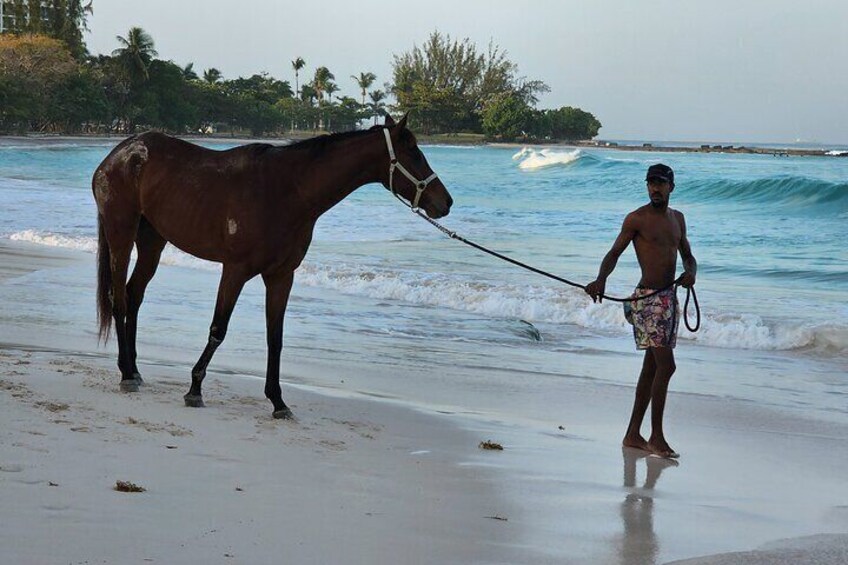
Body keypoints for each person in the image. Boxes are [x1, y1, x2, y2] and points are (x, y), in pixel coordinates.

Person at [585, 164, 697, 458]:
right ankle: (656, 437)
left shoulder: (678, 220)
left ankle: (633, 434)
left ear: (672, 186)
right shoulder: (637, 219)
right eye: (651, 184)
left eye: (660, 184)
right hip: (647, 300)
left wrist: (690, 273)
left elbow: (688, 256)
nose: (654, 189)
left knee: (652, 368)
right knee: (667, 367)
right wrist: (600, 279)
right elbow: (614, 253)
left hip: (668, 299)